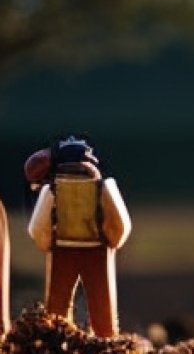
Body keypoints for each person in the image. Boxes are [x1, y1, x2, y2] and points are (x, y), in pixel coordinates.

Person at [25, 136, 132, 337]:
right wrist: (111, 240)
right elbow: (119, 224)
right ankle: (103, 340)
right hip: (95, 251)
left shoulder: (52, 190)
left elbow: (38, 228)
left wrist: (47, 243)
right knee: (100, 304)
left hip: (63, 251)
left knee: (59, 306)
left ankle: (60, 340)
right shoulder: (102, 188)